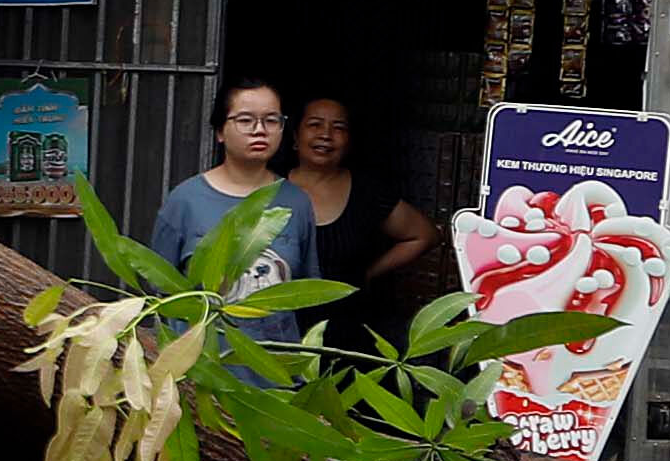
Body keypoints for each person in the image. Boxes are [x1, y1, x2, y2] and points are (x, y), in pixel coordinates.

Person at [287, 93, 447, 315]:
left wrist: (367, 274)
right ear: (295, 137)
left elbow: (425, 235)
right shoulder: (268, 187)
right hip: (277, 326)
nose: (326, 135)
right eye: (314, 124)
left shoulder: (367, 192)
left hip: (345, 328)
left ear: (349, 141)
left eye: (339, 127)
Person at [148, 80, 305, 285]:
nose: (260, 130)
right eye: (245, 120)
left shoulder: (297, 202)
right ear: (220, 131)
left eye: (272, 120)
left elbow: (305, 287)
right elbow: (161, 286)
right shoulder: (185, 200)